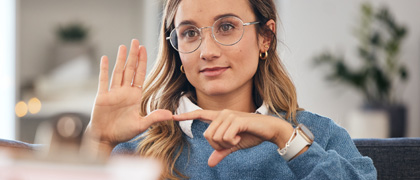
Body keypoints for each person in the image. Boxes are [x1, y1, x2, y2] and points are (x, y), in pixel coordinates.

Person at [86, 0, 377, 179]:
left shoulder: (317, 134)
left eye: (226, 27)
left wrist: (282, 135)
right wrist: (98, 143)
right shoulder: (137, 147)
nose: (208, 51)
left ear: (265, 37)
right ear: (177, 52)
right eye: (190, 33)